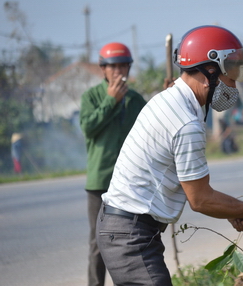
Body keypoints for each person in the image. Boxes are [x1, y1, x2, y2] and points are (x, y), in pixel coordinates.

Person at [96, 25, 243, 285]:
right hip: (130, 234)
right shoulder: (185, 122)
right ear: (209, 69)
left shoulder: (173, 100)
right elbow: (200, 199)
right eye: (230, 73)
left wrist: (232, 211)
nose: (234, 83)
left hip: (128, 230)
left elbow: (193, 189)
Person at [79, 42, 147, 286]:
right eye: (112, 66)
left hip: (130, 182)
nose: (118, 71)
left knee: (132, 238)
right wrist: (110, 101)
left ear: (129, 67)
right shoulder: (92, 97)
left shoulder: (137, 100)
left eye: (122, 65)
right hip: (100, 182)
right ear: (103, 69)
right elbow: (88, 127)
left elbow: (150, 132)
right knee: (98, 242)